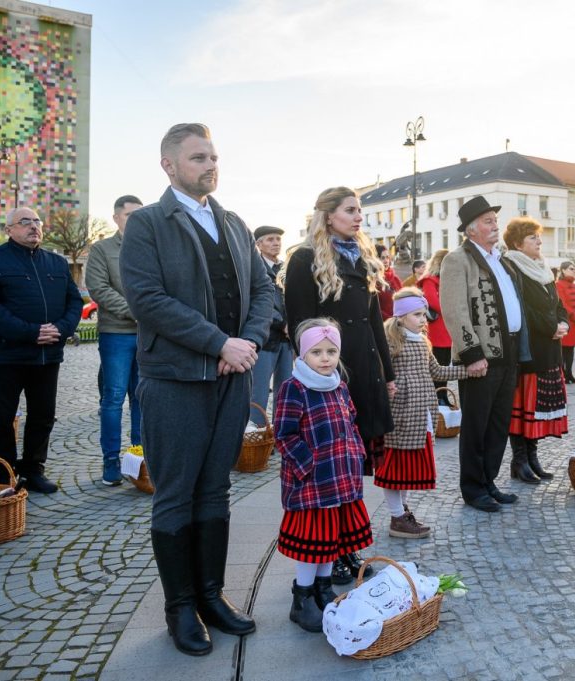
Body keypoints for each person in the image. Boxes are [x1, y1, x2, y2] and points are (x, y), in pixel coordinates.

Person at [120, 123, 273, 655]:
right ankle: (179, 607)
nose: (211, 164)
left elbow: (263, 291)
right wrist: (218, 344)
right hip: (175, 381)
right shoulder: (147, 223)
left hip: (231, 378)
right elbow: (147, 299)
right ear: (169, 165)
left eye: (214, 156)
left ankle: (211, 595)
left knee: (215, 490)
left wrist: (248, 342)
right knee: (175, 495)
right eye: (198, 157)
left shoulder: (232, 222)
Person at [283, 186, 395, 582]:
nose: (359, 216)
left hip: (364, 373)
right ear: (328, 215)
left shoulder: (362, 257)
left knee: (353, 464)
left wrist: (389, 373)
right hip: (330, 378)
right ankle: (329, 550)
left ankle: (347, 545)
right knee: (331, 468)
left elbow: (374, 322)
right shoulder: (304, 258)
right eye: (351, 210)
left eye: (359, 210)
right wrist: (317, 376)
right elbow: (300, 326)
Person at [0, 206, 82, 492]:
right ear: (9, 230)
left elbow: (74, 302)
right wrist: (31, 332)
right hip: (6, 357)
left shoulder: (56, 263)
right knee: (2, 419)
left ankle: (34, 470)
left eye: (37, 221)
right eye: (25, 222)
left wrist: (62, 329)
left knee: (43, 416)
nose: (34, 226)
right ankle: (2, 478)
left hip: (48, 357)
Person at [273, 319, 374, 633]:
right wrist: (309, 464)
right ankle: (302, 597)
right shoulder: (294, 388)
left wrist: (356, 451)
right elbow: (284, 434)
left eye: (331, 351)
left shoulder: (339, 386)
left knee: (331, 539)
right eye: (317, 352)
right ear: (304, 355)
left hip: (340, 479)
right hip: (311, 484)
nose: (325, 358)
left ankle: (323, 586)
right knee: (312, 543)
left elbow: (352, 422)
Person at [440, 196, 531, 513]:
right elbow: (454, 311)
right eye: (489, 221)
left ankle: (489, 481)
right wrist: (471, 353)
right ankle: (473, 488)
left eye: (495, 220)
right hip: (480, 358)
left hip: (508, 354)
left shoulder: (501, 260)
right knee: (477, 425)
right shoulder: (457, 260)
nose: (496, 226)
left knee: (498, 424)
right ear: (471, 229)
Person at [379, 287, 468, 537]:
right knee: (395, 468)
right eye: (417, 314)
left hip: (421, 414)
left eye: (424, 313)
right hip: (401, 414)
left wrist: (467, 371)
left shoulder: (422, 341)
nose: (423, 319)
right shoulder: (391, 341)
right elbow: (381, 373)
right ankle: (397, 517)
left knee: (406, 470)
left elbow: (437, 372)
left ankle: (402, 511)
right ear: (401, 316)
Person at [502, 217, 569, 484]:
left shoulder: (543, 268)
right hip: (530, 348)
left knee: (538, 408)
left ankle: (532, 457)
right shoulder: (512, 266)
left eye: (538, 237)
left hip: (551, 347)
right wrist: (550, 327)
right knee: (524, 408)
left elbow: (558, 303)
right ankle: (519, 461)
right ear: (518, 243)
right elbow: (521, 307)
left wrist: (562, 322)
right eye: (533, 238)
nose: (539, 241)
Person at [86, 195, 143, 486]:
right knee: (113, 398)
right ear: (117, 217)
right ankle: (110, 461)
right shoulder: (102, 249)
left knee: (142, 399)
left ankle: (139, 460)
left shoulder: (150, 248)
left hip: (147, 336)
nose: (135, 219)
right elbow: (99, 289)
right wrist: (136, 312)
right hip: (116, 335)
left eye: (140, 215)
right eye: (130, 215)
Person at [248, 225, 294, 427]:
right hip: (265, 338)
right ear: (258, 244)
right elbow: (259, 302)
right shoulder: (253, 267)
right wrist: (282, 324)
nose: (276, 243)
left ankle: (280, 435)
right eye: (270, 239)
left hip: (287, 339)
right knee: (258, 394)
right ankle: (256, 437)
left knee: (285, 391)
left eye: (278, 239)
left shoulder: (286, 268)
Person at [417, 249, 453, 404]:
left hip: (446, 329)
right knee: (437, 366)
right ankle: (436, 397)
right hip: (436, 331)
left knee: (445, 364)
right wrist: (452, 308)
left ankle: (443, 395)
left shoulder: (445, 279)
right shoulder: (429, 280)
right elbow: (433, 302)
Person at [555, 260, 575, 384]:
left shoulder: (573, 284)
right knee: (563, 349)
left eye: (574, 269)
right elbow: (563, 304)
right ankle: (562, 374)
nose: (574, 271)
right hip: (567, 321)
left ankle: (569, 374)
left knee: (571, 350)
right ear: (563, 270)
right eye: (571, 269)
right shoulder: (558, 284)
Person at [375, 244, 402, 320]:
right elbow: (374, 308)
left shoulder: (395, 278)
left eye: (387, 257)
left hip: (399, 322)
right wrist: (391, 320)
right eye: (382, 258)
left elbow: (403, 299)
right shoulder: (372, 280)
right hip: (383, 325)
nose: (386, 261)